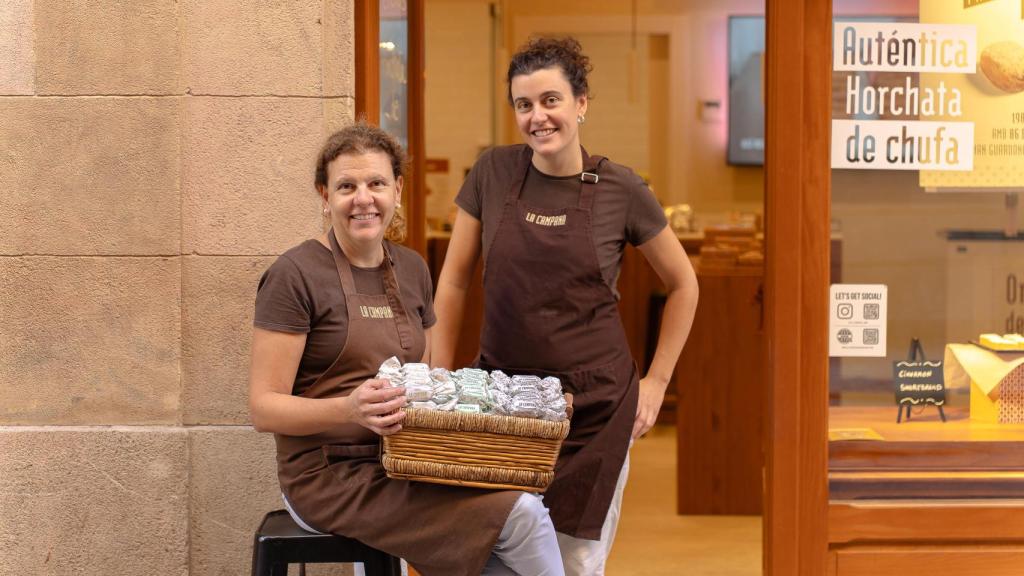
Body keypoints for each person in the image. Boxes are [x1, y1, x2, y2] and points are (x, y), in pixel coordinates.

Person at [249, 122, 565, 576]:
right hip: (327, 476)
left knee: (507, 540)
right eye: (346, 186)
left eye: (376, 183)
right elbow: (264, 409)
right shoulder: (294, 275)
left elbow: (434, 377)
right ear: (324, 195)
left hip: (410, 459)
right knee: (524, 518)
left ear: (397, 190)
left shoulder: (413, 269)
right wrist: (349, 410)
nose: (363, 198)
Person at [433, 37, 699, 575]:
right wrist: (439, 379)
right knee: (495, 557)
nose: (538, 117)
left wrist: (657, 382)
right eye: (524, 105)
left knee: (574, 564)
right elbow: (454, 283)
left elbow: (684, 284)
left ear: (581, 103)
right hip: (504, 406)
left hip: (596, 413)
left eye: (551, 100)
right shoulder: (492, 173)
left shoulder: (621, 189)